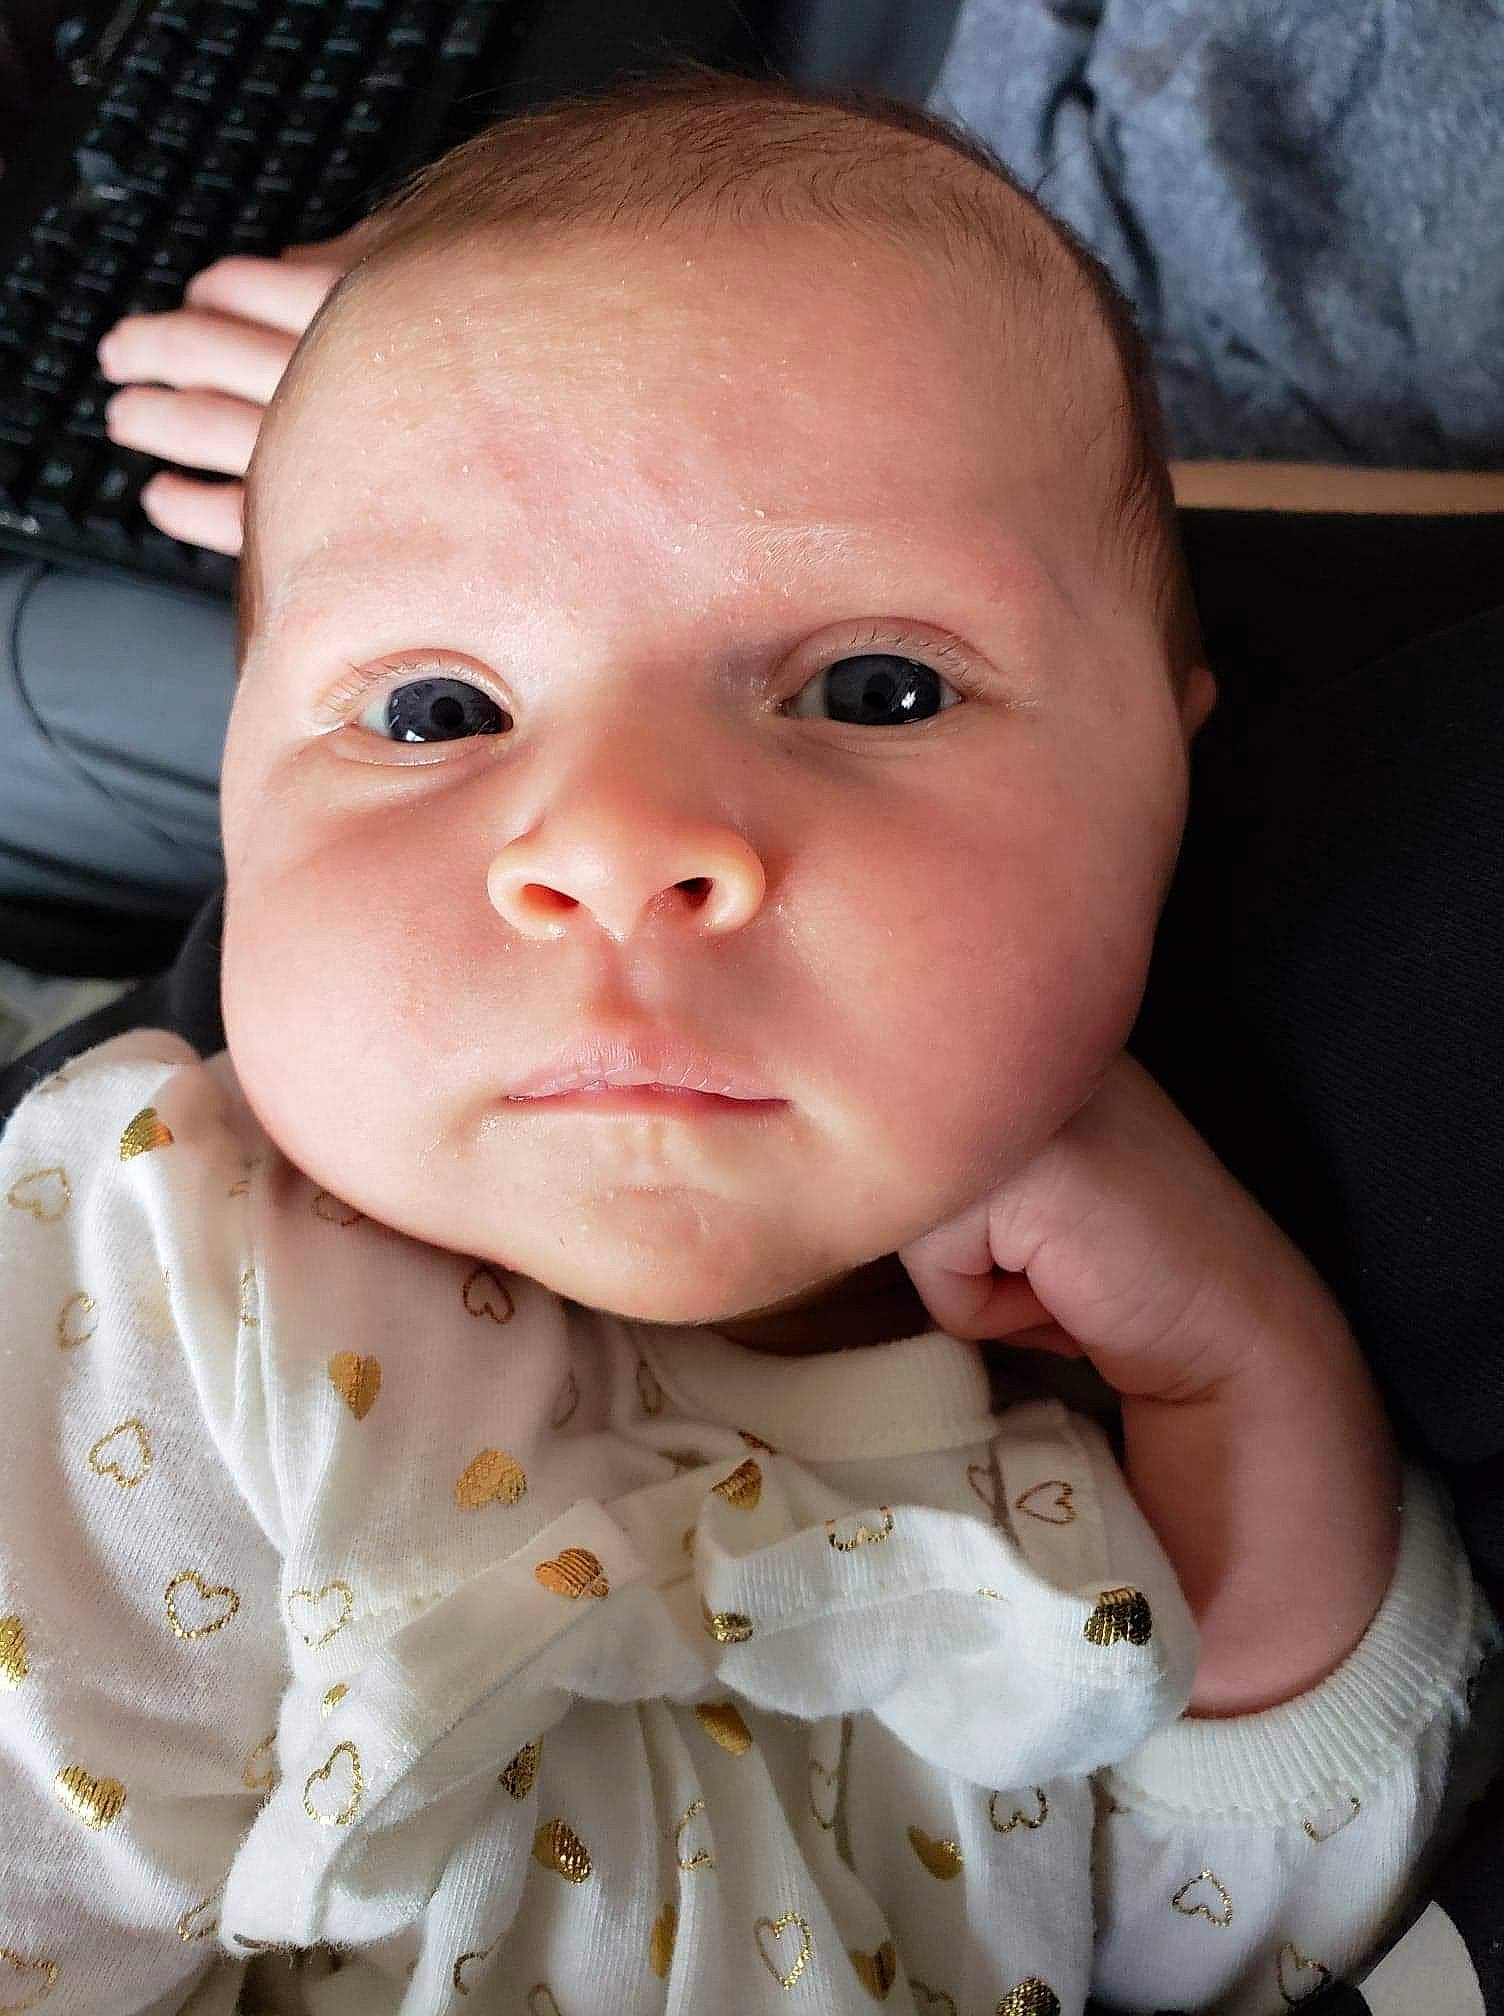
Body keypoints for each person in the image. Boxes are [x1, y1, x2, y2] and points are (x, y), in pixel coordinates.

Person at [0, 68, 1496, 2016]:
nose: (616, 845)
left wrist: (1245, 1379)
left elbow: (1242, 1941)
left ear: (1170, 781)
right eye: (437, 712)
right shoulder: (159, 1284)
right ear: (233, 800)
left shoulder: (1076, 1446)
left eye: (873, 689)